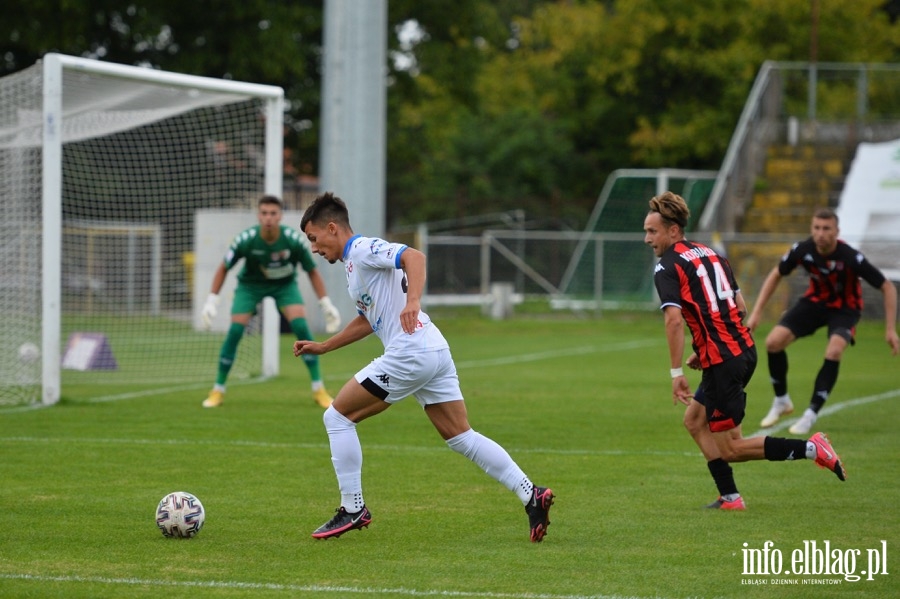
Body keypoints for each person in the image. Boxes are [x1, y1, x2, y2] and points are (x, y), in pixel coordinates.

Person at [293, 192, 554, 542]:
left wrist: (413, 300)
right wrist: (325, 345)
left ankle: (353, 508)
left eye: (314, 238)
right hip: (432, 349)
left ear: (331, 228)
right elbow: (370, 319)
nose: (313, 247)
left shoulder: (362, 248)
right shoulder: (354, 265)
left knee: (337, 417)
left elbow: (413, 256)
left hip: (410, 351)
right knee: (461, 436)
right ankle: (531, 494)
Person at [643, 191, 846, 510]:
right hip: (738, 350)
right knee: (695, 422)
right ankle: (730, 497)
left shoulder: (667, 267)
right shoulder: (712, 254)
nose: (647, 238)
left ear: (673, 230)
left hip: (724, 360)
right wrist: (709, 343)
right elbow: (738, 305)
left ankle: (813, 448)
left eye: (652, 231)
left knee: (731, 448)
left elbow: (673, 321)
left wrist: (676, 372)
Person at [746, 208, 899, 434]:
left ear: (837, 231)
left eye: (826, 229)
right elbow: (776, 273)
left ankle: (811, 414)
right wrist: (757, 312)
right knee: (772, 342)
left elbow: (886, 286)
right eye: (816, 228)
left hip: (846, 309)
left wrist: (890, 329)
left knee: (834, 350)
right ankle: (781, 400)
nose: (820, 233)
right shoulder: (803, 250)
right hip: (815, 303)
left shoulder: (850, 257)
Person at [200, 195, 342, 409]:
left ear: (280, 216)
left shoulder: (293, 241)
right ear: (259, 215)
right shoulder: (245, 239)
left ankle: (319, 388)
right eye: (264, 213)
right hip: (250, 286)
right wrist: (212, 300)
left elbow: (312, 271)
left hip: (284, 286)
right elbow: (224, 267)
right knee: (236, 331)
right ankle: (217, 390)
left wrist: (325, 303)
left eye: (273, 213)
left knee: (301, 326)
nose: (268, 218)